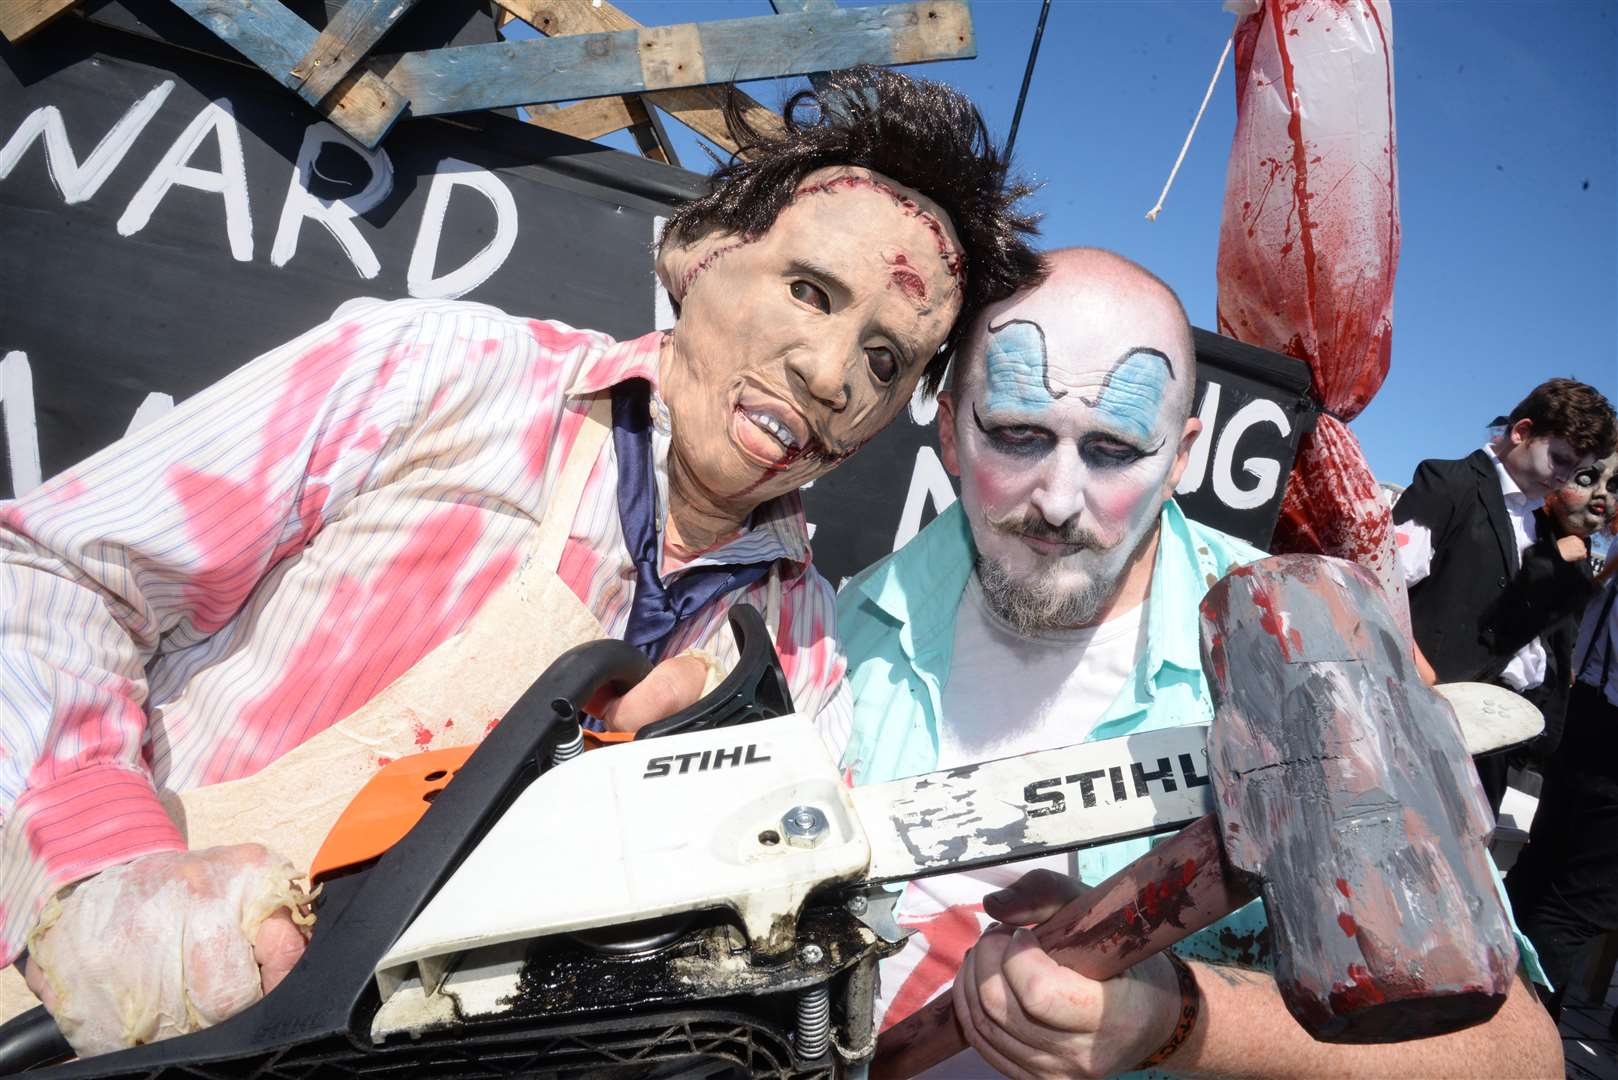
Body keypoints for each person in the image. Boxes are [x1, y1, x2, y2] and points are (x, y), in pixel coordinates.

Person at [0, 66, 1043, 1057]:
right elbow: (59, 576)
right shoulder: (435, 382)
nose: (827, 375)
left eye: (883, 361)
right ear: (698, 251)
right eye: (810, 292)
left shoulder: (797, 661)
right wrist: (100, 863)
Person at [828, 248, 1563, 1078]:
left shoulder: (1314, 658)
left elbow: (1520, 1057)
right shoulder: (853, 616)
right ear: (952, 428)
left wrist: (1176, 1020)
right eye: (1016, 434)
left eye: (1113, 449)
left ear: (1180, 457)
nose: (1059, 500)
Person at [1394, 379, 1617, 811]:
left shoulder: (1537, 521)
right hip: (1424, 722)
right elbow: (1380, 587)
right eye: (1560, 458)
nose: (1563, 475)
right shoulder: (1450, 483)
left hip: (1491, 740)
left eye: (1575, 470)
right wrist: (1418, 670)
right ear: (1522, 431)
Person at [1506, 454, 1618, 1018]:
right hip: (1594, 732)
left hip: (1586, 723)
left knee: (1544, 878)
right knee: (1572, 900)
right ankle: (1516, 1040)